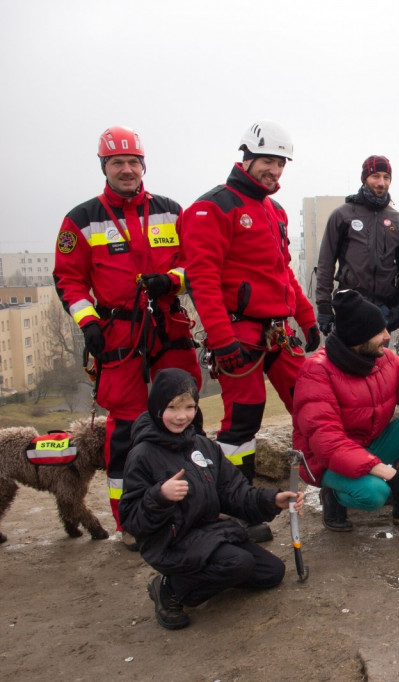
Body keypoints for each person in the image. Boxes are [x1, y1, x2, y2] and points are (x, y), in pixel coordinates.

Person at [52, 126, 202, 549]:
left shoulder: (172, 211)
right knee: (126, 431)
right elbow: (68, 279)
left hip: (168, 324)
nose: (126, 169)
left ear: (143, 166)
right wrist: (89, 323)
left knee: (187, 416)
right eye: (117, 162)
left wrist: (170, 280)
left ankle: (196, 505)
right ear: (104, 167)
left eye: (133, 162)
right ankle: (130, 522)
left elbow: (199, 264)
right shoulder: (82, 220)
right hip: (118, 332)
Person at [180, 120, 317, 542]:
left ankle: (331, 485)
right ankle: (234, 506)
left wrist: (307, 318)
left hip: (277, 331)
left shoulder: (273, 211)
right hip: (238, 332)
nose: (274, 171)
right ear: (247, 157)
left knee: (312, 402)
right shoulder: (211, 208)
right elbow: (202, 280)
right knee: (242, 421)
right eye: (267, 162)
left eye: (280, 164)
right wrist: (222, 341)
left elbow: (283, 274)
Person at [120, 368, 303, 630]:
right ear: (157, 407)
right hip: (171, 541)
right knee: (238, 563)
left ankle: (212, 573)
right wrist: (159, 497)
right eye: (172, 407)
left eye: (189, 407)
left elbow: (234, 492)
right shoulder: (142, 454)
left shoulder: (202, 445)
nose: (181, 416)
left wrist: (273, 500)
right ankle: (169, 588)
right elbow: (131, 520)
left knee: (271, 573)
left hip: (209, 533)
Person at [293, 290, 399, 532]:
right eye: (380, 332)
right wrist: (391, 475)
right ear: (359, 336)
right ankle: (333, 496)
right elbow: (328, 445)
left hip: (368, 445)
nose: (387, 337)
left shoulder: (383, 359)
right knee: (375, 493)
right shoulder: (316, 372)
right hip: (324, 461)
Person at [314, 155, 399, 335]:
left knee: (378, 363)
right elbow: (325, 263)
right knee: (345, 361)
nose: (381, 182)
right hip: (349, 305)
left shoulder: (398, 221)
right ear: (364, 178)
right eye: (375, 176)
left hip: (383, 310)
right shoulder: (343, 215)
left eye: (386, 177)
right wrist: (324, 306)